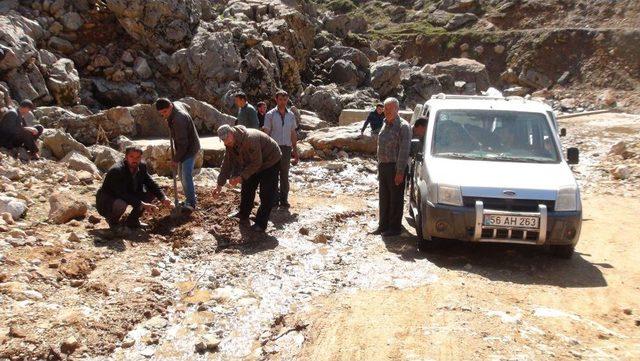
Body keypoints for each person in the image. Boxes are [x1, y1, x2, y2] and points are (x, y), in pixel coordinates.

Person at [213, 124, 282, 232]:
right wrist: (219, 185)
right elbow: (227, 164)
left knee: (266, 193)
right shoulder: (230, 144)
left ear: (232, 133)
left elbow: (257, 163)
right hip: (252, 162)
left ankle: (261, 223)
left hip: (270, 161)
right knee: (247, 188)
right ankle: (243, 213)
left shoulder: (250, 138)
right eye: (223, 140)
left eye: (227, 139)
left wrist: (241, 177)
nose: (226, 142)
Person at [96, 146, 173, 232]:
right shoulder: (116, 171)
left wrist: (163, 198)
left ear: (141, 158)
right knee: (121, 204)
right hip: (109, 200)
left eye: (137, 157)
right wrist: (142, 204)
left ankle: (132, 220)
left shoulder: (142, 166)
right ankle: (113, 222)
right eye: (131, 157)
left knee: (150, 192)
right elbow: (122, 194)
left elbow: (150, 183)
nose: (134, 160)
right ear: (126, 157)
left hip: (130, 193)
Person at [372, 97, 412, 237]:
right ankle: (382, 226)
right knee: (384, 198)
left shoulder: (403, 126)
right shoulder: (384, 123)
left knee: (395, 198)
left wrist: (400, 171)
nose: (387, 111)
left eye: (390, 109)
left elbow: (404, 151)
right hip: (383, 166)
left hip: (395, 167)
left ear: (397, 109)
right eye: (385, 108)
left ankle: (394, 228)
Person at [155, 98, 201, 211]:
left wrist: (175, 159)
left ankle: (191, 203)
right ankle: (189, 198)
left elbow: (183, 144)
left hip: (189, 149)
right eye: (161, 114)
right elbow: (186, 106)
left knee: (185, 176)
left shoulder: (178, 120)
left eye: (165, 112)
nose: (164, 116)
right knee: (181, 175)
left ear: (170, 106)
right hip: (185, 147)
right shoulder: (176, 105)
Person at [263, 90, 299, 209]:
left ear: (287, 100)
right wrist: (264, 150)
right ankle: (274, 199)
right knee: (273, 174)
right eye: (280, 99)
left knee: (284, 174)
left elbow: (292, 133)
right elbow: (266, 133)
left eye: (285, 99)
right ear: (276, 99)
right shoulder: (270, 115)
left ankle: (284, 200)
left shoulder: (291, 115)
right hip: (274, 148)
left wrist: (295, 150)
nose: (283, 102)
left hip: (287, 148)